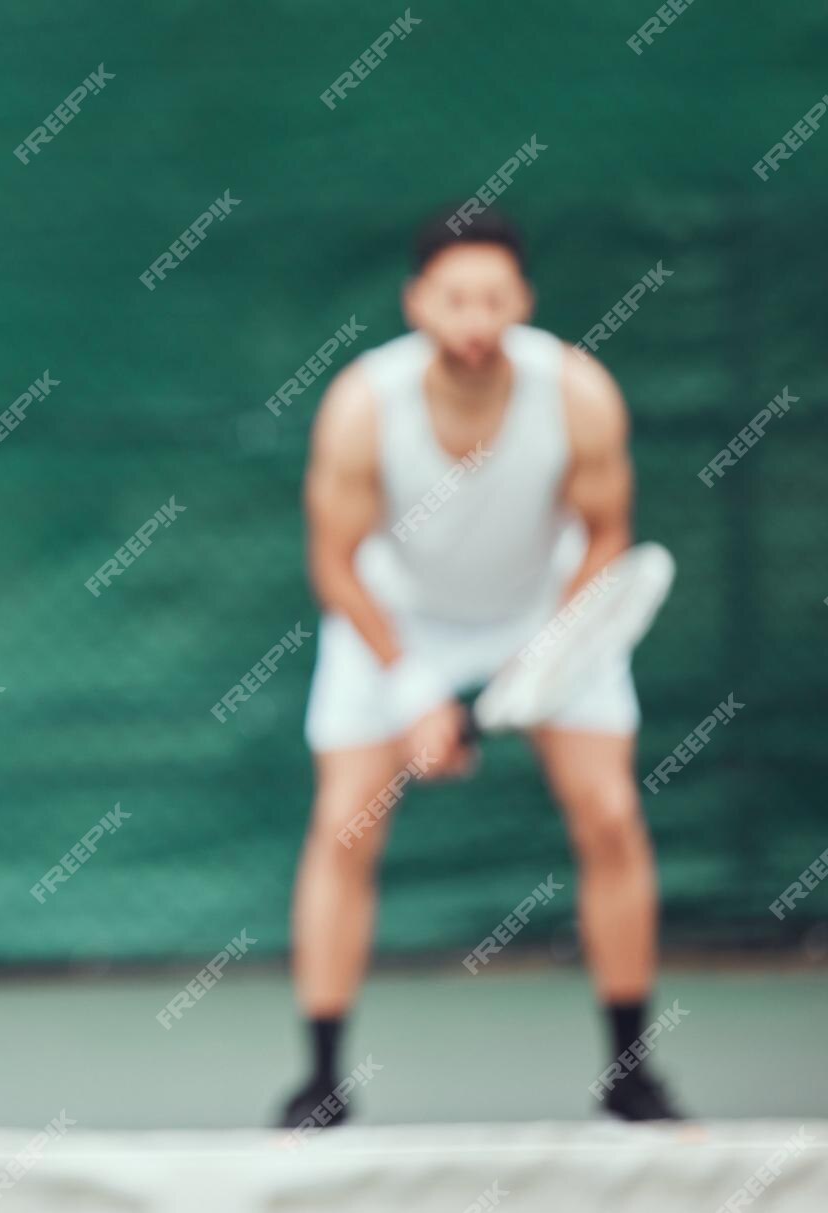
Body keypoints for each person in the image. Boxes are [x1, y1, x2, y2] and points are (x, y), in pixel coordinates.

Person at [279, 209, 681, 1127]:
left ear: (522, 303)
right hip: (393, 617)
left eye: (494, 298)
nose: (474, 318)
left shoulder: (578, 390)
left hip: (547, 610)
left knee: (612, 814)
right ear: (418, 302)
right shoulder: (361, 404)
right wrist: (416, 689)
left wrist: (541, 659)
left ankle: (631, 1072)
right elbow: (335, 563)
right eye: (455, 298)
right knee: (344, 827)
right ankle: (321, 1080)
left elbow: (606, 535)